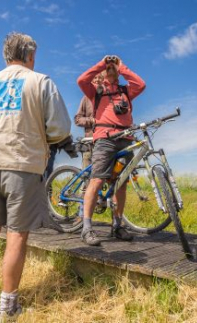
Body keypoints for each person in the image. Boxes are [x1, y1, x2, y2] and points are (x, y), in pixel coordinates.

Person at [0, 32, 71, 322]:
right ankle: (7, 307)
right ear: (30, 56)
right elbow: (60, 128)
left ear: (5, 55)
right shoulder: (41, 82)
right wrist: (42, 138)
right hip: (24, 164)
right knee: (16, 236)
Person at [76, 55, 146, 246]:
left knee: (120, 184)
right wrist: (102, 63)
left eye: (113, 66)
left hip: (125, 139)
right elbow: (81, 80)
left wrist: (122, 67)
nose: (111, 68)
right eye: (109, 67)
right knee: (97, 179)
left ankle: (117, 225)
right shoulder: (96, 91)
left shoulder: (125, 90)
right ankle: (87, 228)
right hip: (105, 139)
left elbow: (141, 84)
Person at [74, 71, 104, 168]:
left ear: (103, 80)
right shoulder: (86, 98)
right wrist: (92, 120)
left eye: (100, 78)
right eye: (94, 78)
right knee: (87, 174)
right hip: (90, 142)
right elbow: (77, 119)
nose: (97, 80)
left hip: (105, 141)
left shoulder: (108, 98)